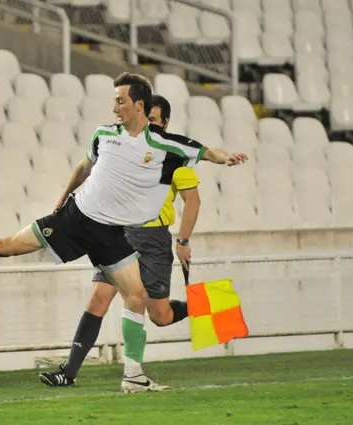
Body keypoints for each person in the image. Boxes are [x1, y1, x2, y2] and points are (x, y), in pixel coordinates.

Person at [0, 73, 247, 393]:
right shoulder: (104, 134)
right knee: (9, 246)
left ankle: (143, 367)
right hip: (78, 220)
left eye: (120, 100)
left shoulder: (167, 148)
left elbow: (205, 154)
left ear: (139, 105)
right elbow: (86, 165)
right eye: (113, 100)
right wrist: (62, 200)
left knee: (149, 307)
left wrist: (226, 159)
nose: (114, 107)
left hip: (130, 237)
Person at [39, 94, 240, 388]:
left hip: (153, 240)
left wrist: (182, 240)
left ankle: (214, 305)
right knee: (98, 299)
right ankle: (68, 372)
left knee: (160, 315)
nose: (148, 127)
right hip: (118, 233)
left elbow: (193, 202)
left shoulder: (174, 158)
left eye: (155, 121)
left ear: (165, 123)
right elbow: (89, 169)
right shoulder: (127, 151)